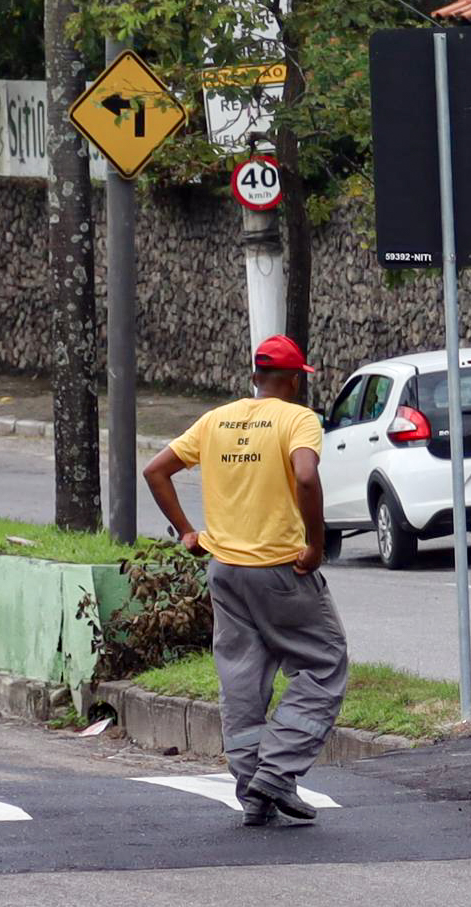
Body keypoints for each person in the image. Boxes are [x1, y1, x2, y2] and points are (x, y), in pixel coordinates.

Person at [144, 336, 348, 828]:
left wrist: (188, 532)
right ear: (295, 379)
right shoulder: (297, 419)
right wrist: (316, 544)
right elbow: (304, 476)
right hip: (279, 569)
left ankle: (251, 790)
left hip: (225, 572)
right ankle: (276, 774)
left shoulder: (215, 420)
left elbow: (156, 471)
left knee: (240, 679)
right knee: (323, 664)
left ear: (254, 376)